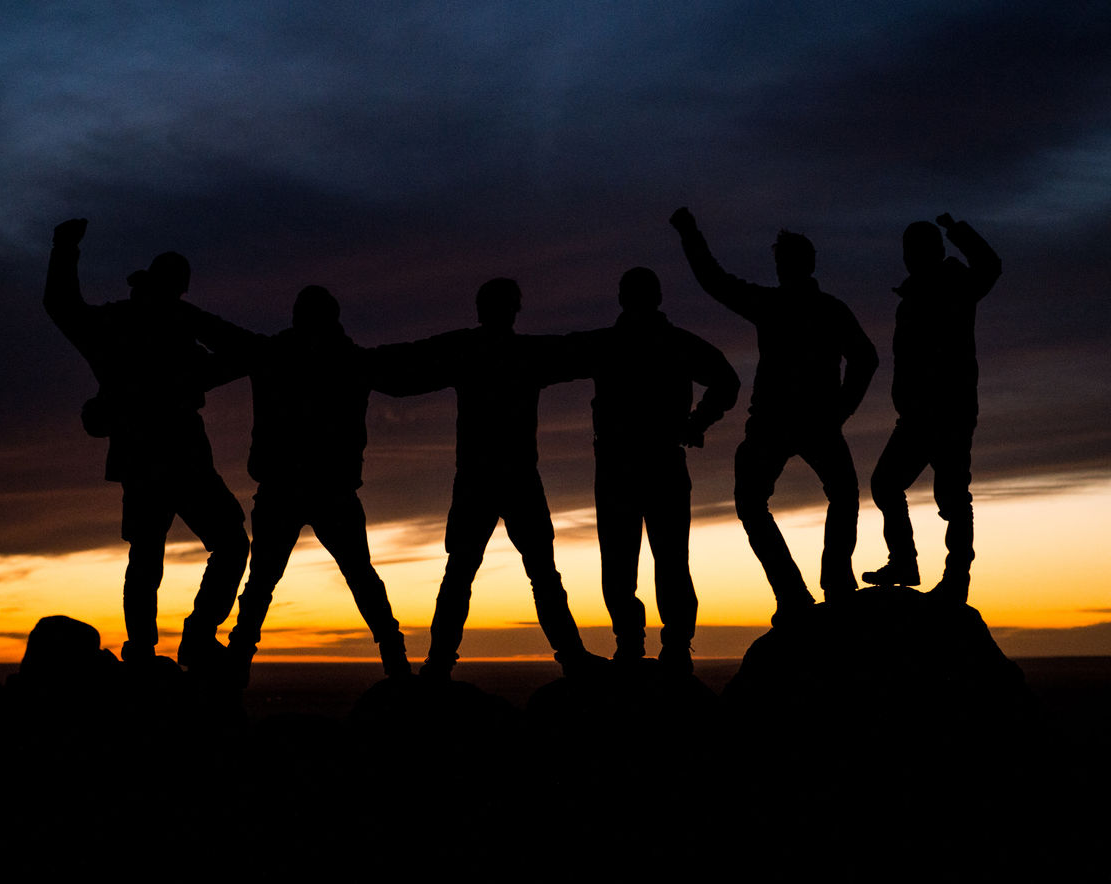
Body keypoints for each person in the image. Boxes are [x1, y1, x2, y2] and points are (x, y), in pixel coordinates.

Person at [43, 218, 249, 669]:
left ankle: (154, 646)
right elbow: (236, 353)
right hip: (168, 450)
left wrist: (65, 248)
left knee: (156, 551)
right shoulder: (159, 321)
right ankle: (178, 640)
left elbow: (62, 305)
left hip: (153, 451)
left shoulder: (143, 321)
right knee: (209, 545)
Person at [185, 286, 413, 683]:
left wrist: (173, 305)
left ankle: (236, 671)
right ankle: (396, 662)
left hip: (291, 489)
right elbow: (411, 369)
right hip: (322, 490)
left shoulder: (276, 354)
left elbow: (220, 333)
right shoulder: (351, 361)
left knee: (266, 584)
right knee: (356, 577)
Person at [669, 208, 878, 620]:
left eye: (785, 263)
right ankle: (826, 585)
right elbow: (865, 360)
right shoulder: (818, 308)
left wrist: (690, 233)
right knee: (828, 497)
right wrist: (840, 411)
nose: (782, 269)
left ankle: (803, 592)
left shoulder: (777, 304)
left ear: (795, 266)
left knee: (759, 502)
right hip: (801, 422)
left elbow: (715, 280)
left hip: (784, 422)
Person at [402, 278, 602, 680]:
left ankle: (440, 662)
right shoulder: (522, 354)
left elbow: (408, 366)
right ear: (512, 310)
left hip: (486, 479)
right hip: (511, 479)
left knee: (465, 572)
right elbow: (582, 350)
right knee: (531, 573)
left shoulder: (472, 350)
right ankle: (571, 656)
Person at [570, 267, 738, 673]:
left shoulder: (607, 344)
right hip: (651, 462)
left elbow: (726, 381)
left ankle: (643, 645)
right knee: (658, 559)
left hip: (626, 465)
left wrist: (697, 422)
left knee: (627, 560)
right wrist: (697, 422)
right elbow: (726, 381)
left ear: (622, 298)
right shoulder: (669, 343)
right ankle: (664, 646)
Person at [862, 214, 1001, 603]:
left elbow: (990, 266)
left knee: (953, 497)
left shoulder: (957, 283)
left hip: (950, 412)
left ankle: (956, 581)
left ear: (936, 251)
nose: (911, 257)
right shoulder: (910, 296)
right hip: (916, 416)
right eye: (909, 250)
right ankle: (905, 563)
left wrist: (958, 230)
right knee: (886, 484)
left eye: (919, 249)